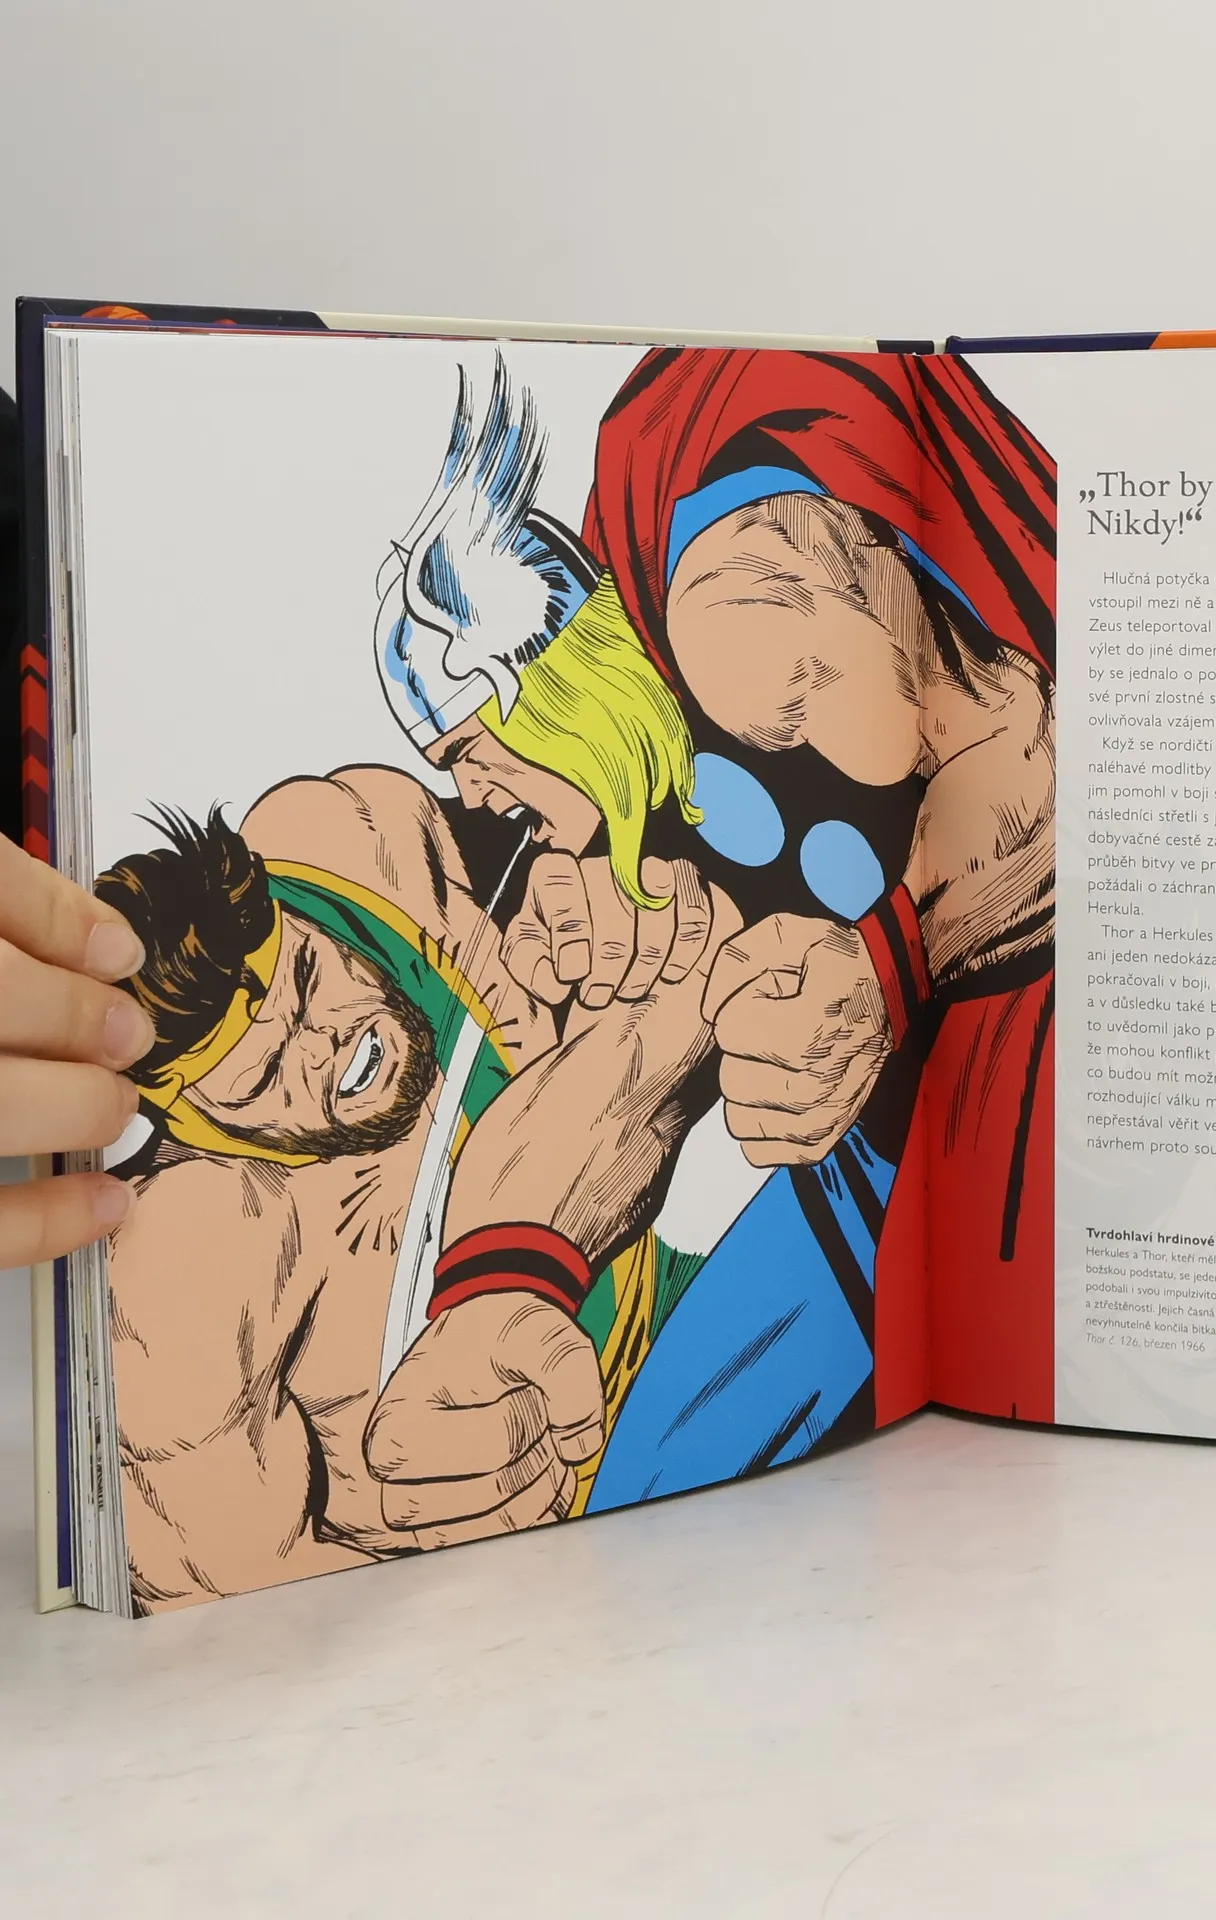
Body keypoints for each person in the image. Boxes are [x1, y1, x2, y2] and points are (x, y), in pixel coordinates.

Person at [367, 350, 1058, 1528]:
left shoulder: (730, 612)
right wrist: (503, 1284)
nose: (474, 794)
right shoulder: (620, 824)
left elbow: (1029, 765)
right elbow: (630, 1061)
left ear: (554, 690)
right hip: (868, 1182)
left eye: (474, 748)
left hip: (1042, 1082)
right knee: (647, 1496)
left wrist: (886, 966)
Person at [73, 768, 723, 1609]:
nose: (327, 1047)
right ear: (192, 1120)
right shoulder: (188, 1265)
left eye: (309, 979)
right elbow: (243, 1602)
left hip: (690, 1310)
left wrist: (615, 906)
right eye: (266, 1078)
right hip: (576, 1552)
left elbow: (625, 876)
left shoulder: (356, 839)